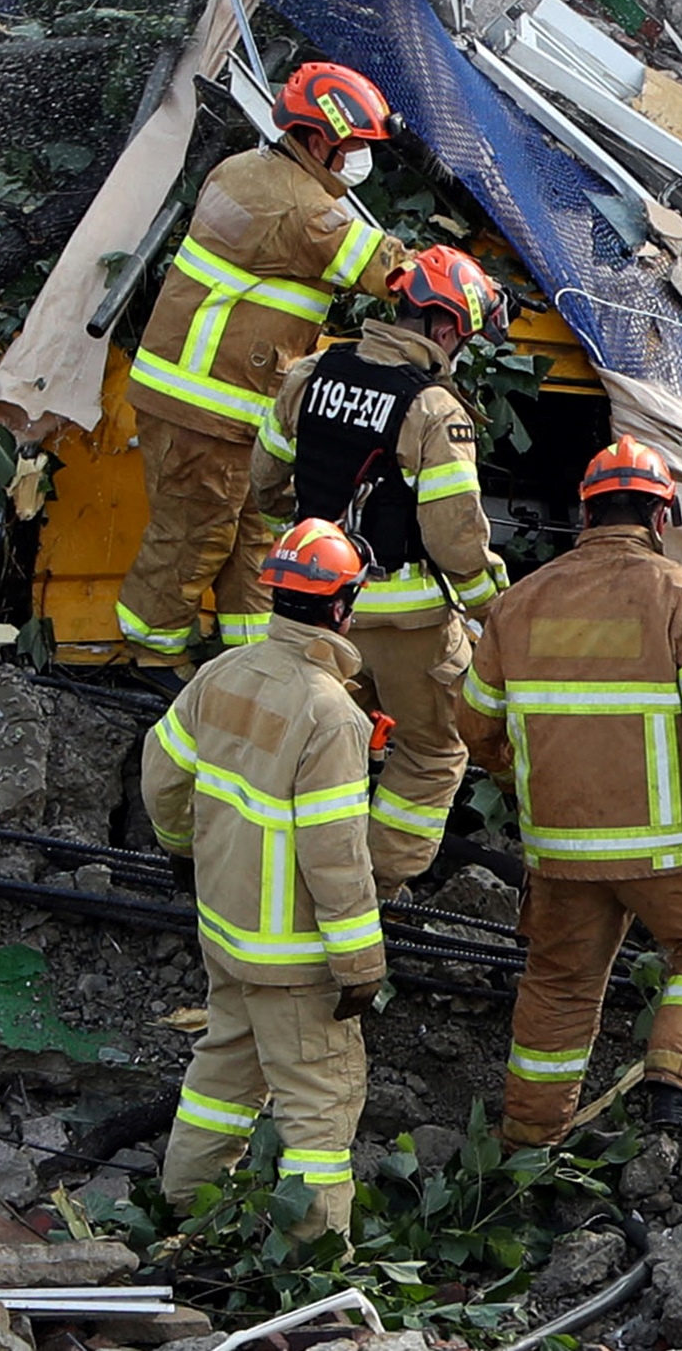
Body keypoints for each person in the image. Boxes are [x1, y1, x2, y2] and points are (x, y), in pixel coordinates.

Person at [457, 437, 682, 1144]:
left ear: (586, 515)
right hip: (673, 849)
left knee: (558, 983)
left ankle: (528, 1142)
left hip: (561, 849)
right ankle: (681, 1086)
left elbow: (475, 725)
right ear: (661, 514)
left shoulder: (518, 605)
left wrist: (526, 781)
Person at [118, 60, 411, 671]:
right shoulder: (301, 208)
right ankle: (151, 665)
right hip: (209, 408)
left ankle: (256, 664)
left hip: (225, 407)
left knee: (254, 542)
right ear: (315, 140)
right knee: (192, 540)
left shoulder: (243, 171)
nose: (359, 158)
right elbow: (389, 272)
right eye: (353, 145)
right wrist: (462, 283)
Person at [144, 518, 385, 1240]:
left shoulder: (222, 673)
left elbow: (161, 777)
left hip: (225, 930)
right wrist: (361, 964)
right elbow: (335, 855)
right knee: (319, 1104)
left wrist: (182, 848)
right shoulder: (330, 713)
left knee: (223, 1074)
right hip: (295, 955)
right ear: (343, 606)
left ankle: (186, 1211)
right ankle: (312, 1267)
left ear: (274, 592)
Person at [251, 244, 512, 894]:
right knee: (431, 751)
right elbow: (455, 540)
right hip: (405, 627)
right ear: (447, 327)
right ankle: (368, 893)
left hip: (308, 611)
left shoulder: (313, 373)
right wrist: (496, 615)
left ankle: (278, 876)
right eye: (465, 337)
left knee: (313, 744)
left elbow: (263, 482)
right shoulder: (432, 410)